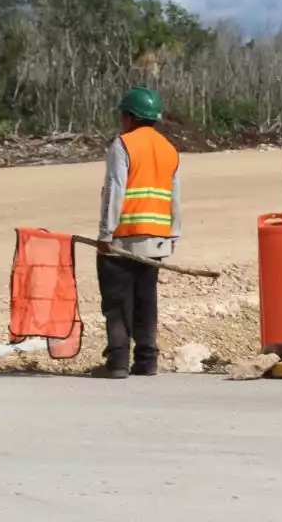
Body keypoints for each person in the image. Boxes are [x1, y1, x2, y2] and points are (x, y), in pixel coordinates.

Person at [91, 86, 181, 379]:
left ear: (130, 117)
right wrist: (173, 234)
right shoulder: (169, 148)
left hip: (124, 238)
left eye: (122, 115)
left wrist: (105, 235)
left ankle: (117, 361)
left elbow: (114, 191)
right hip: (156, 241)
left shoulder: (123, 144)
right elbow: (174, 196)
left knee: (117, 301)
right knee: (146, 300)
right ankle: (146, 360)